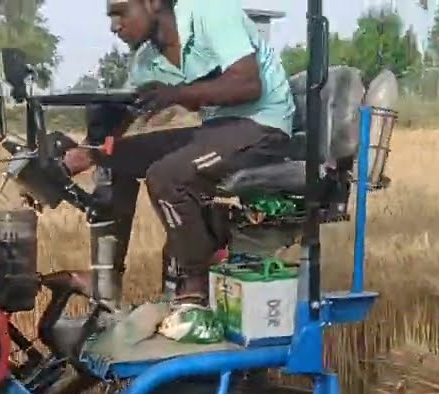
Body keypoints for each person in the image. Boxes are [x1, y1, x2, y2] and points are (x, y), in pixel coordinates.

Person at [65, 0, 296, 339]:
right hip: (217, 130)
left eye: (120, 12)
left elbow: (249, 84)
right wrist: (89, 153)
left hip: (263, 126)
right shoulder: (146, 62)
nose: (114, 26)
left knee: (166, 176)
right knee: (114, 159)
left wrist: (176, 94)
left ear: (153, 4)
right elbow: (123, 118)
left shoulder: (211, 13)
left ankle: (194, 292)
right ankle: (106, 283)